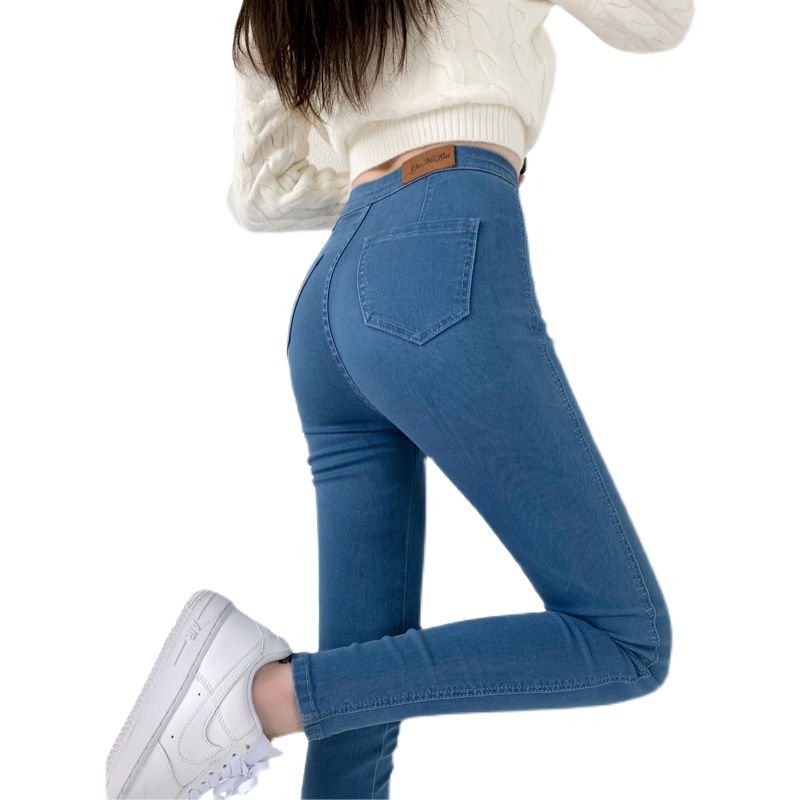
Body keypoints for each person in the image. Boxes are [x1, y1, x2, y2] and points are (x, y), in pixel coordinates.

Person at [105, 1, 695, 797]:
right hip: (437, 264)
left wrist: (376, 170)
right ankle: (261, 699)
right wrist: (452, 163)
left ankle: (267, 701)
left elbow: (260, 193)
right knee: (625, 639)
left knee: (360, 705)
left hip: (333, 295)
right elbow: (659, 20)